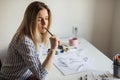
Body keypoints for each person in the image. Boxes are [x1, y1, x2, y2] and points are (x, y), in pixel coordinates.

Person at [0, 1, 59, 80]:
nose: (44, 23)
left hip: (25, 76)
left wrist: (31, 74)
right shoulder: (24, 40)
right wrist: (53, 50)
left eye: (46, 18)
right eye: (39, 19)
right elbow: (41, 76)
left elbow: (35, 63)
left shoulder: (36, 35)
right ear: (30, 21)